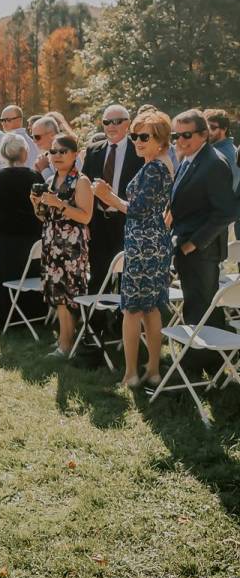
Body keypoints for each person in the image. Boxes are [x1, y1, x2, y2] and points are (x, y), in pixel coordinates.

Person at [93, 110, 173, 387]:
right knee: (151, 308)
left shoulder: (154, 168)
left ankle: (131, 374)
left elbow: (136, 210)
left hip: (143, 246)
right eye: (135, 136)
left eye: (143, 136)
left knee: (131, 311)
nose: (137, 141)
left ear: (160, 140)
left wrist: (107, 196)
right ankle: (152, 370)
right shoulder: (162, 164)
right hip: (155, 242)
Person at [169, 109, 236, 326]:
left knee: (203, 310)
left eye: (186, 135)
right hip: (186, 250)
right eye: (176, 136)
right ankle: (198, 357)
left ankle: (205, 359)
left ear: (203, 134)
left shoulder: (214, 163)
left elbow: (226, 212)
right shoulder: (189, 158)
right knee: (194, 306)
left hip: (202, 252)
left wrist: (193, 244)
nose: (180, 140)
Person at [31, 133, 93, 358]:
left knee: (69, 294)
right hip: (51, 243)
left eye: (62, 151)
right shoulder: (50, 181)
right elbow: (45, 218)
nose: (56, 156)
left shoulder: (82, 181)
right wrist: (36, 204)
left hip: (71, 246)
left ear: (75, 154)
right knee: (57, 294)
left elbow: (86, 217)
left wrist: (59, 204)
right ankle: (63, 340)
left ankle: (67, 345)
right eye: (52, 152)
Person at [81, 104, 143, 300]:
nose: (111, 126)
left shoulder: (139, 151)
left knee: (127, 276)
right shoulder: (93, 151)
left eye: (117, 122)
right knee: (99, 273)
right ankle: (96, 324)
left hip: (126, 220)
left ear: (128, 124)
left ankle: (121, 325)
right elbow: (84, 188)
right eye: (107, 122)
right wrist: (86, 222)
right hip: (99, 221)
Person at [0, 133, 45, 331]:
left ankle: (4, 317)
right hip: (32, 237)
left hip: (7, 237)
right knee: (31, 274)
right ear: (23, 152)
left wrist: (1, 224)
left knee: (5, 278)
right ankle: (34, 315)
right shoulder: (34, 176)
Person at [204, 109, 240, 189]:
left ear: (224, 129)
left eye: (212, 127)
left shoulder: (224, 154)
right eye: (206, 127)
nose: (208, 131)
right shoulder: (221, 149)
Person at [31, 115, 60, 180]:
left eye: (37, 137)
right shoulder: (46, 155)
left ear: (51, 135)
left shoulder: (67, 154)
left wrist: (44, 169)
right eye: (32, 137)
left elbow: (65, 186)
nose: (34, 141)